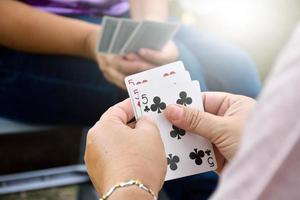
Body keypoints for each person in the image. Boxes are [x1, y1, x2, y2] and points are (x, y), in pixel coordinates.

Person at [0, 1, 260, 199]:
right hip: (20, 38)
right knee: (168, 85)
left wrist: (150, 34)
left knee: (239, 72)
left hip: (121, 17)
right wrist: (91, 40)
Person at [84, 23, 300, 200]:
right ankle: (204, 191)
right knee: (179, 65)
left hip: (132, 20)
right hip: (73, 36)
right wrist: (91, 40)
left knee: (239, 70)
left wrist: (128, 185)